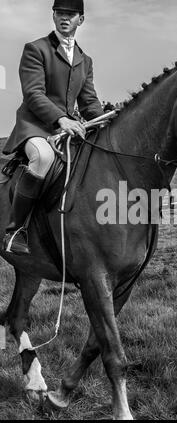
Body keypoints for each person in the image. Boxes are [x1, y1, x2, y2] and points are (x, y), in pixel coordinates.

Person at [2, 0, 103, 255]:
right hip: (35, 127)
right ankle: (16, 230)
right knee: (43, 158)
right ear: (54, 16)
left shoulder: (85, 60)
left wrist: (106, 121)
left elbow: (89, 101)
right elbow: (34, 94)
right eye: (60, 13)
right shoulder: (36, 49)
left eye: (70, 14)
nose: (64, 18)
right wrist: (61, 119)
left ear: (81, 19)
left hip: (65, 131)